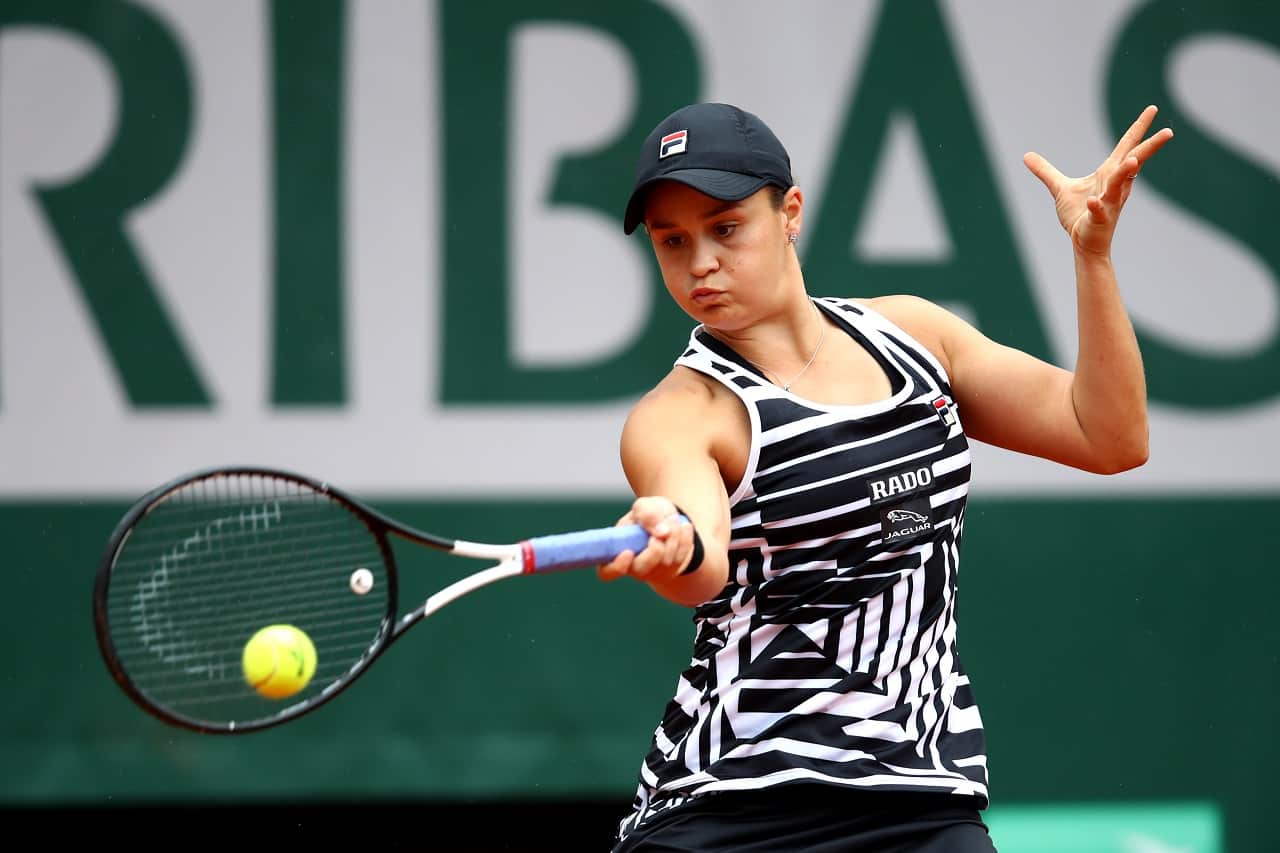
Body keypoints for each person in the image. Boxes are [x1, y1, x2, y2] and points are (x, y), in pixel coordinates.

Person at [596, 102, 1173, 852]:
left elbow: (1111, 436)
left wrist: (1092, 256)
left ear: (790, 211)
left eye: (725, 227)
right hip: (731, 809)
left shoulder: (914, 334)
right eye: (673, 242)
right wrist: (670, 541)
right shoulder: (681, 413)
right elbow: (699, 563)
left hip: (919, 799)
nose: (700, 261)